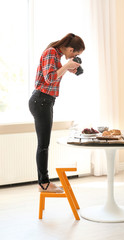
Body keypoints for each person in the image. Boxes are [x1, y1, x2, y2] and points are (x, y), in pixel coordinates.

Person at [29, 33, 85, 192]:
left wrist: (69, 68)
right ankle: (44, 184)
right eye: (75, 54)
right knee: (43, 145)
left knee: (43, 144)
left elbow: (55, 74)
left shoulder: (57, 56)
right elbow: (49, 78)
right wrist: (67, 66)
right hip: (41, 100)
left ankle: (44, 183)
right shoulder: (51, 53)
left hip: (45, 101)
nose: (73, 57)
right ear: (70, 48)